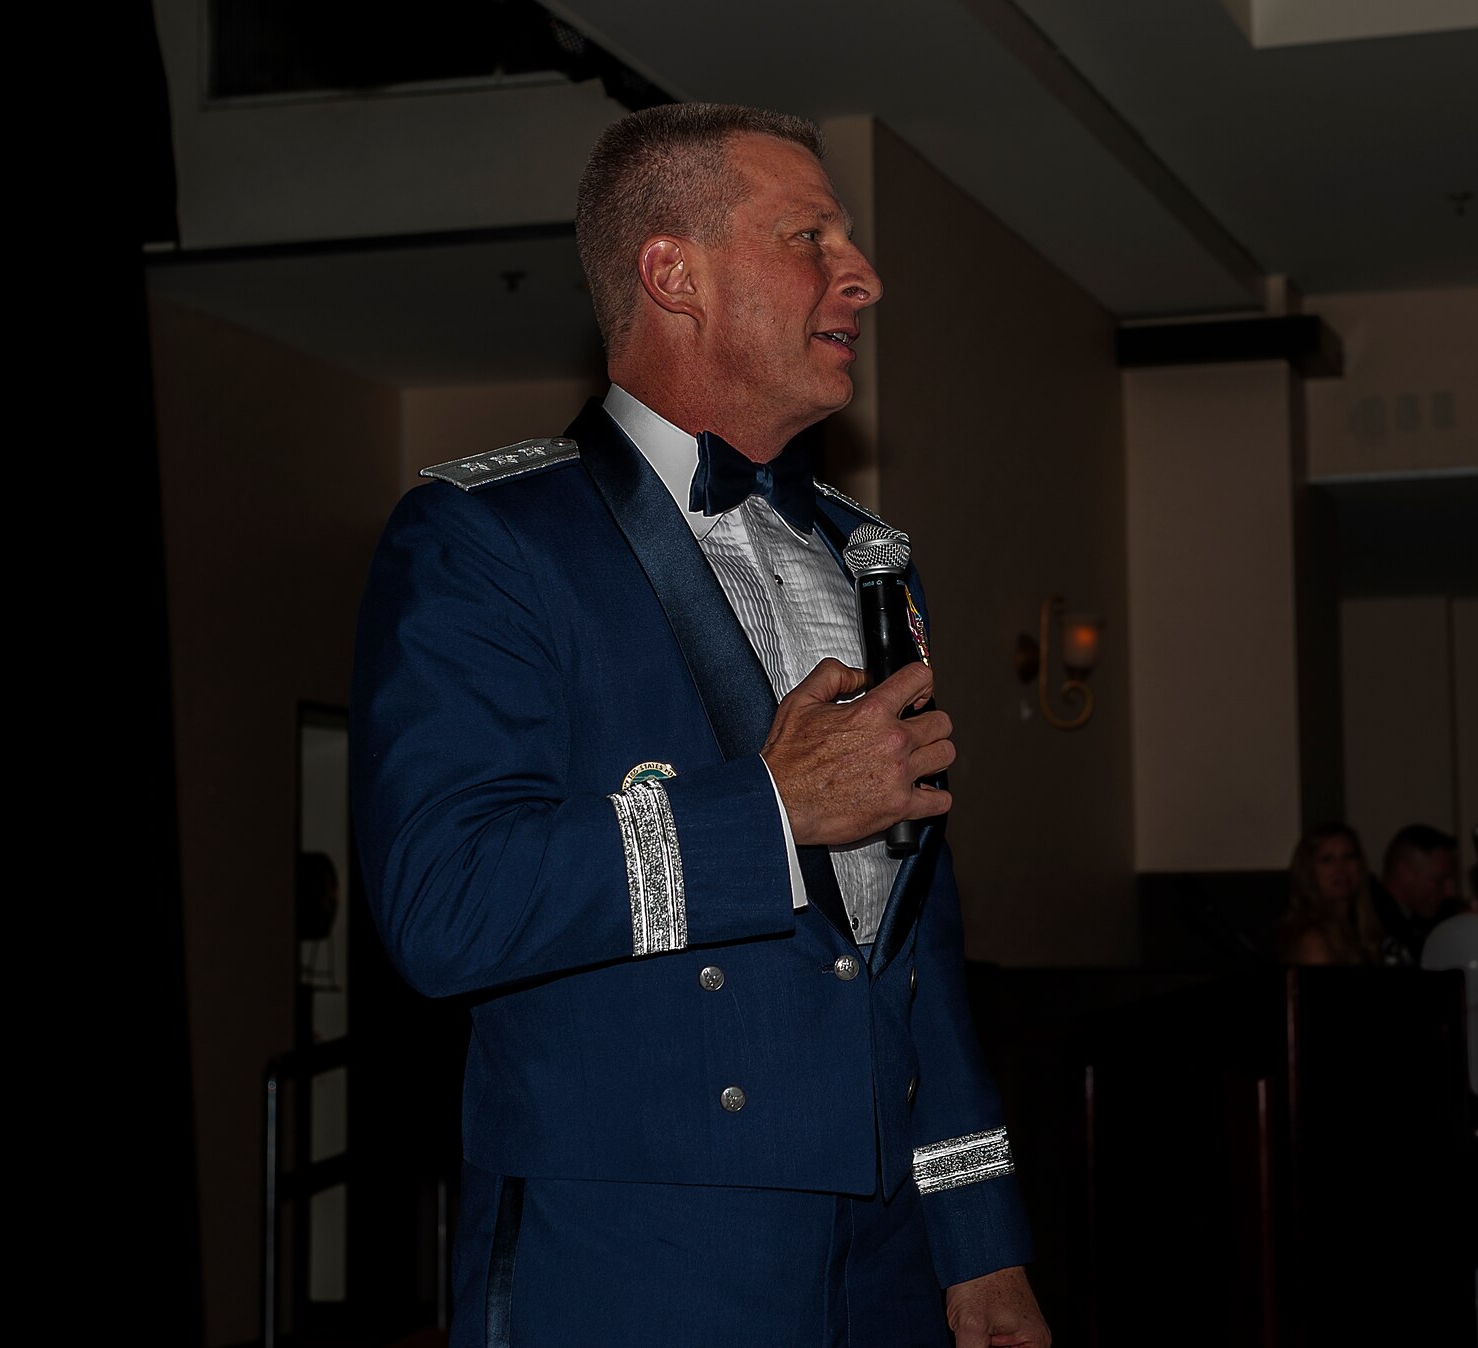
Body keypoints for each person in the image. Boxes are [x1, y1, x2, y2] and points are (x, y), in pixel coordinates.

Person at [352, 105, 1047, 1346]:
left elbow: (918, 942)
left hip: (888, 1264)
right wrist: (772, 809)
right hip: (632, 1260)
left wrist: (978, 1238)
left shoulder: (869, 558)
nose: (863, 275)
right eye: (809, 235)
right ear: (673, 273)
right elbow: (440, 902)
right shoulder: (485, 540)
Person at [1278, 823, 1385, 964]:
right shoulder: (1313, 940)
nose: (1340, 869)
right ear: (1309, 871)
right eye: (1327, 860)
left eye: (1348, 857)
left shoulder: (1364, 928)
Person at [1371, 824, 1463, 965]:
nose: (1450, 892)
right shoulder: (1371, 926)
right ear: (1405, 872)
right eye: (1438, 880)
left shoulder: (1420, 924)